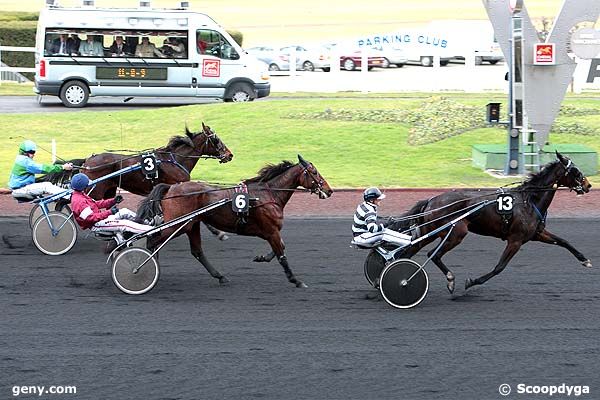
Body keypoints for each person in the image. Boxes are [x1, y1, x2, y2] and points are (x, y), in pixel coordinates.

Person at [69, 173, 153, 251]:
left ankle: (146, 223)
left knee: (124, 211)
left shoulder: (80, 195)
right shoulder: (79, 201)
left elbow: (96, 204)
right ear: (84, 187)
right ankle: (151, 230)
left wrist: (113, 201)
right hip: (97, 225)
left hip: (101, 220)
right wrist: (109, 212)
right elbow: (91, 218)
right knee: (125, 224)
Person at [9, 140, 73, 198]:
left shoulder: (20, 158)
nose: (34, 154)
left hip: (21, 187)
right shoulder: (25, 162)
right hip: (21, 189)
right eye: (32, 152)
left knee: (47, 184)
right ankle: (70, 196)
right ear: (24, 152)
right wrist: (63, 167)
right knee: (47, 186)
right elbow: (44, 169)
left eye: (34, 152)